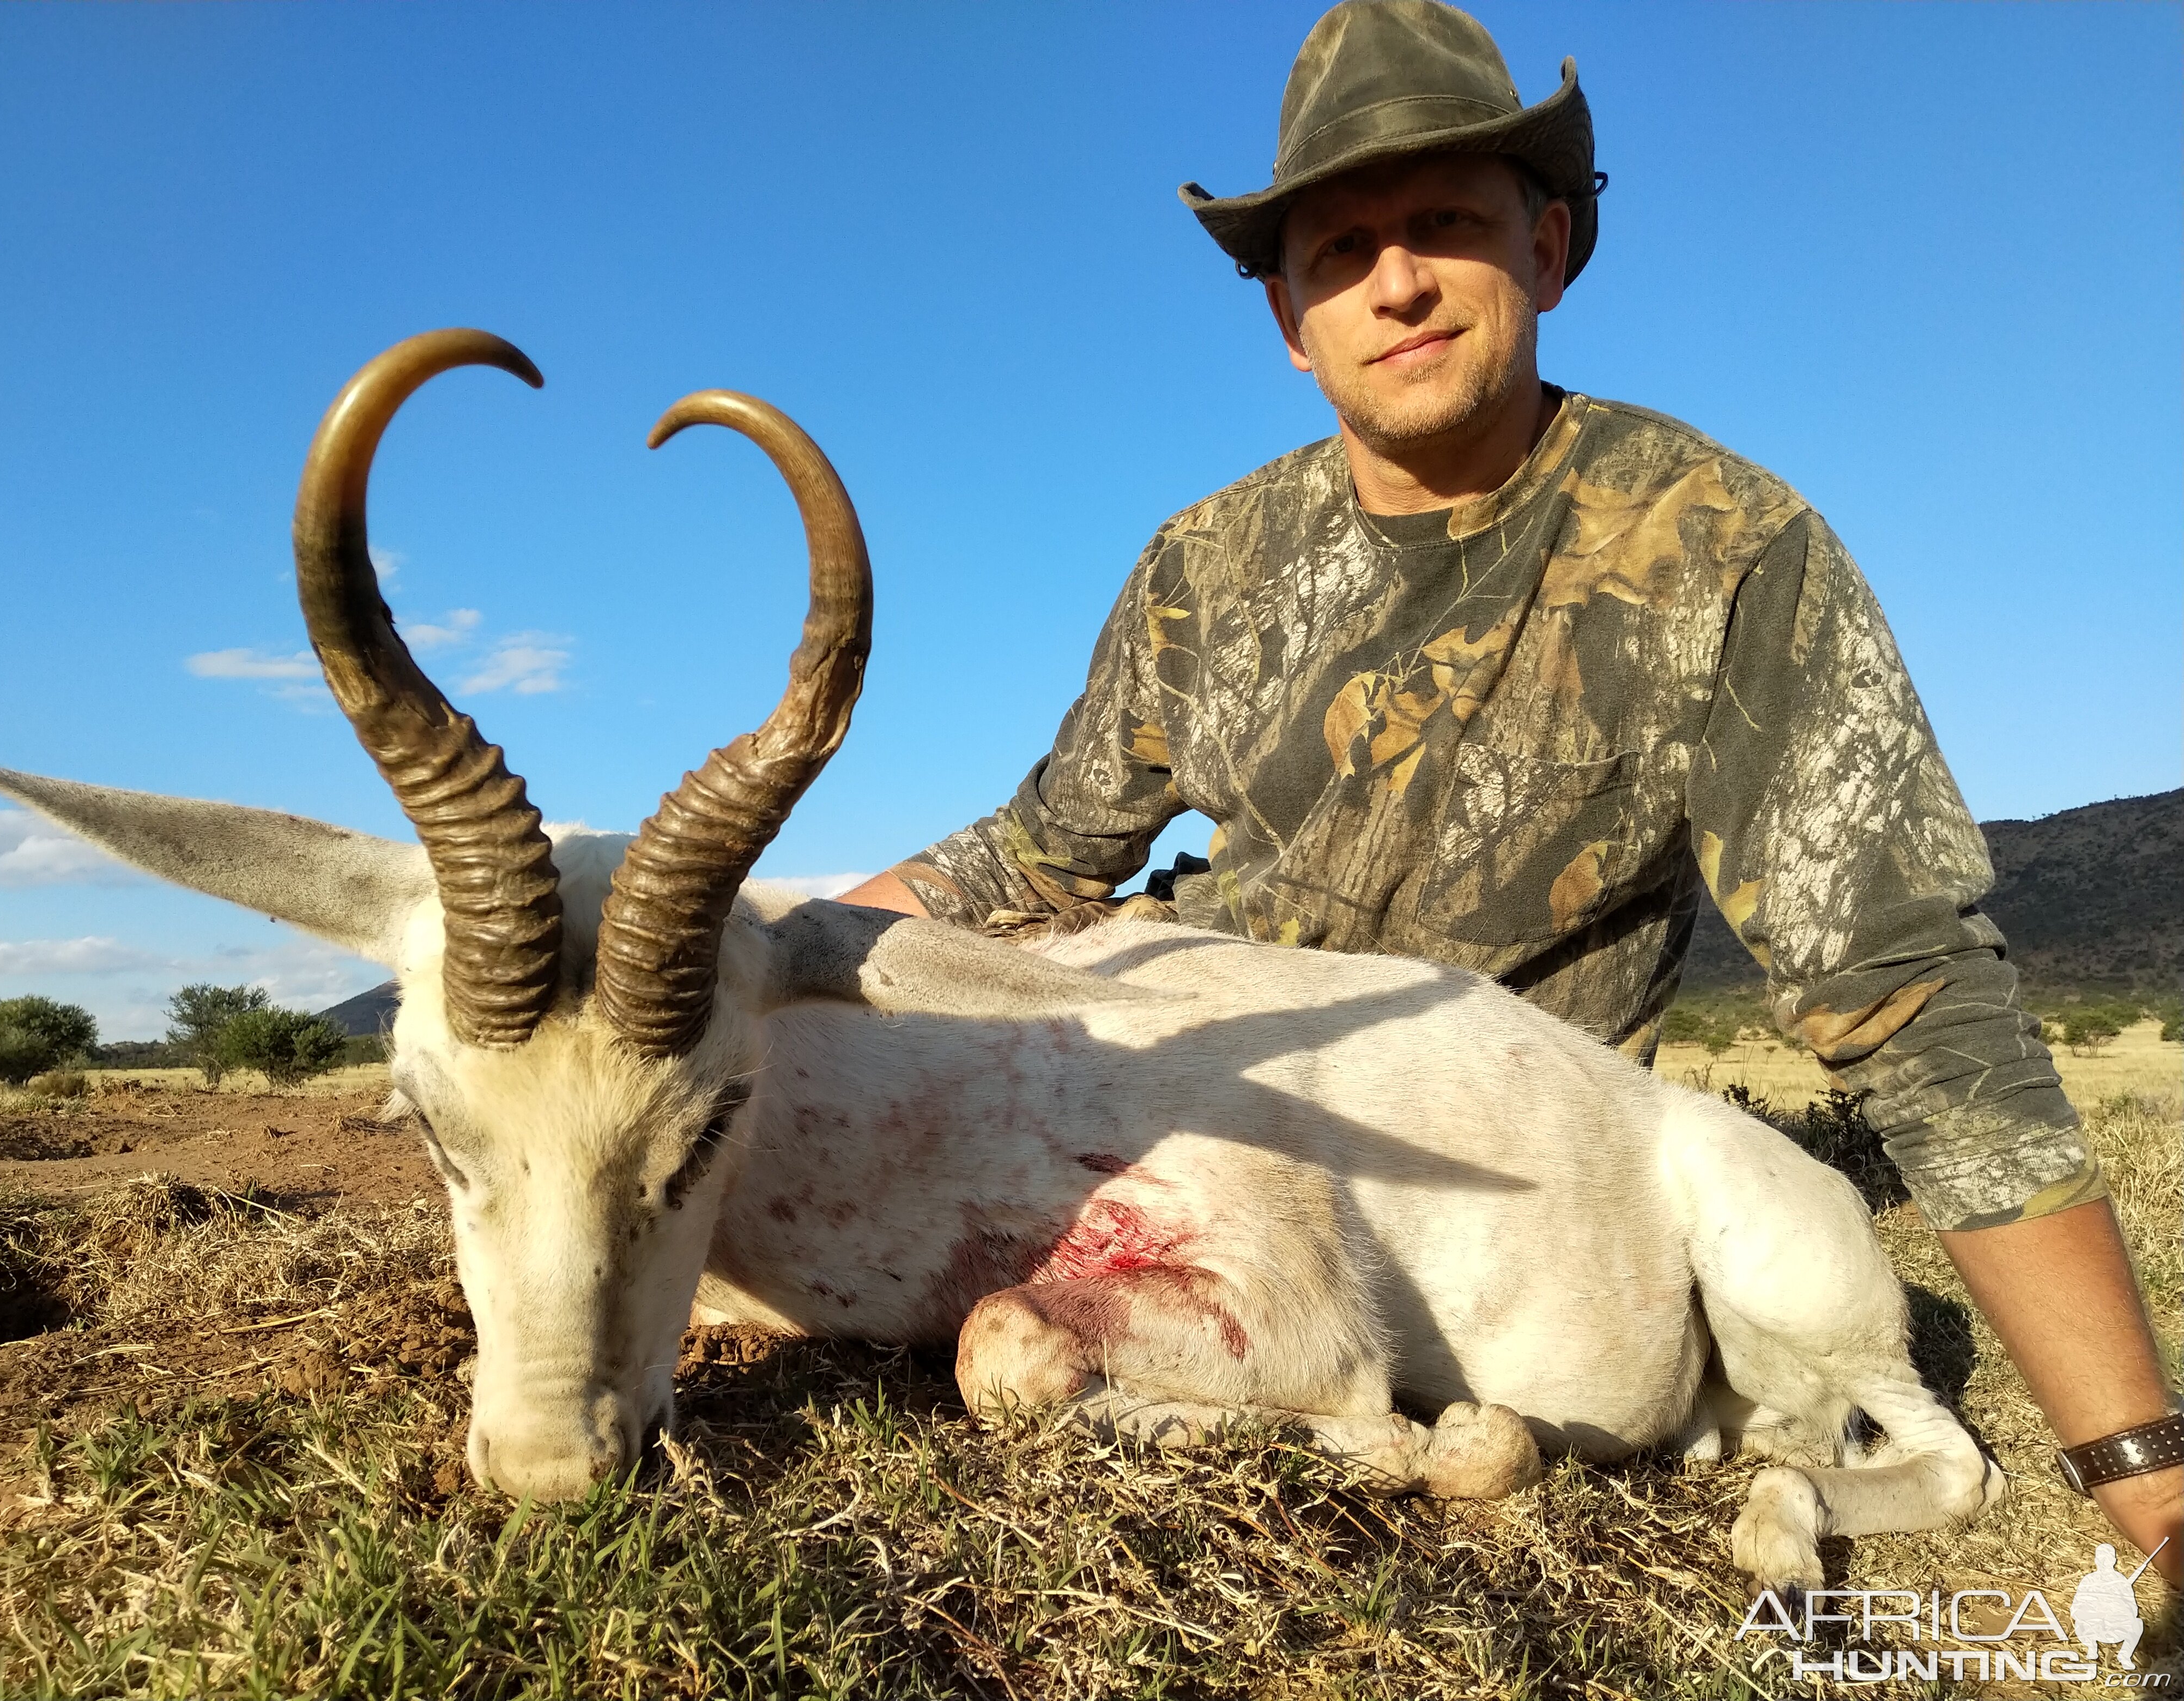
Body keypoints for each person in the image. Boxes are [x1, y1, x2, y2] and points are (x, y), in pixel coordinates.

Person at [839, 0, 2181, 1580]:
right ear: (1288, 313)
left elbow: (1911, 995)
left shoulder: (1724, 547)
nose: (1392, 282)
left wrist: (2144, 1478)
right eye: (1336, 251)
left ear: (1548, 250)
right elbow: (1033, 861)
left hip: (1496, 1182)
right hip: (1201, 1133)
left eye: (1443, 227)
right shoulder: (1203, 567)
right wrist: (721, 943)